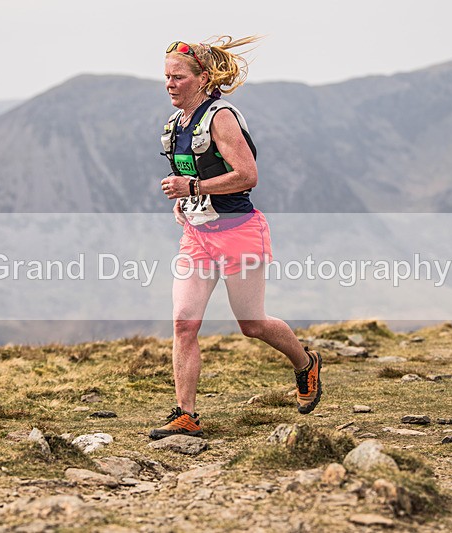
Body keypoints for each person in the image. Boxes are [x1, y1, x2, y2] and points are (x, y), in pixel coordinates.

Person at [150, 36, 322, 439]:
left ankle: (305, 364)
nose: (169, 84)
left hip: (239, 233)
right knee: (184, 323)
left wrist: (192, 188)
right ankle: (185, 415)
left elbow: (248, 176)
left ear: (203, 78)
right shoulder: (176, 125)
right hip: (198, 235)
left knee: (252, 324)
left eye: (178, 77)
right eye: (166, 77)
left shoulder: (221, 117)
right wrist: (186, 202)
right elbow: (197, 177)